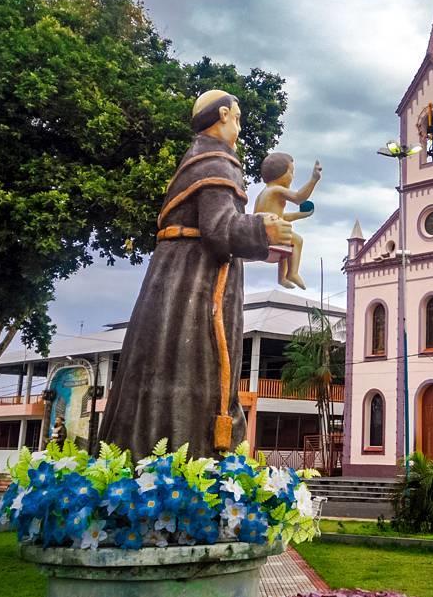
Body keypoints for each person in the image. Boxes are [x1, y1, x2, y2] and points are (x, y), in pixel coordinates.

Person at [99, 90, 292, 459]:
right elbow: (219, 229)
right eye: (237, 118)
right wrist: (262, 229)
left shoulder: (195, 159)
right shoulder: (216, 162)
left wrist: (261, 242)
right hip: (194, 283)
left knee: (162, 363)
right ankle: (187, 460)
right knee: (194, 362)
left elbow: (212, 228)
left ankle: (142, 453)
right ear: (223, 115)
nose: (239, 127)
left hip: (174, 276)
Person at [253, 153, 321, 289]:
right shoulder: (276, 190)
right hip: (268, 234)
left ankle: (282, 278)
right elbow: (298, 197)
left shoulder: (263, 193)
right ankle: (292, 273)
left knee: (286, 244)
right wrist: (313, 180)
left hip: (261, 232)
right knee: (297, 240)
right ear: (280, 174)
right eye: (291, 172)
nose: (293, 176)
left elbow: (281, 217)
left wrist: (300, 215)